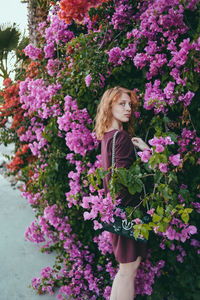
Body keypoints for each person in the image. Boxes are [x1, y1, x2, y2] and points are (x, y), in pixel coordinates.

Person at [94, 86, 150, 300]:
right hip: (126, 212)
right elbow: (125, 182)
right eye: (122, 104)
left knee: (126, 269)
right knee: (128, 270)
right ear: (109, 106)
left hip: (115, 211)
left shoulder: (108, 137)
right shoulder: (122, 138)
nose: (128, 109)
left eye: (129, 104)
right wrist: (147, 153)